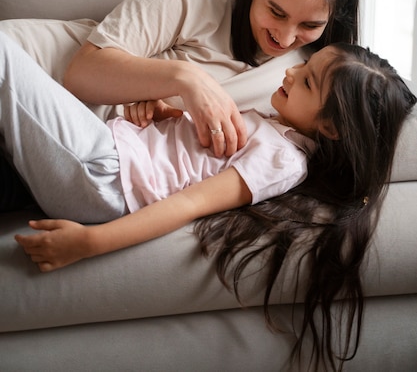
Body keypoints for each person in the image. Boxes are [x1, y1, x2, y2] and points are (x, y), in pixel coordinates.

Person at [3, 34, 416, 369]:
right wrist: (166, 114)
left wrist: (88, 245)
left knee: (5, 50)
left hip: (104, 174)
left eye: (307, 80)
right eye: (303, 66)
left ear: (330, 126)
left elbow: (189, 203)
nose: (290, 71)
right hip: (108, 156)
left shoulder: (283, 160)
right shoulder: (275, 125)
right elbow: (196, 158)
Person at [63, 0, 359, 157]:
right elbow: (80, 73)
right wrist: (186, 79)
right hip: (44, 79)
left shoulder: (313, 71)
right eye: (276, 12)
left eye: (310, 25)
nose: (285, 38)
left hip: (101, 150)